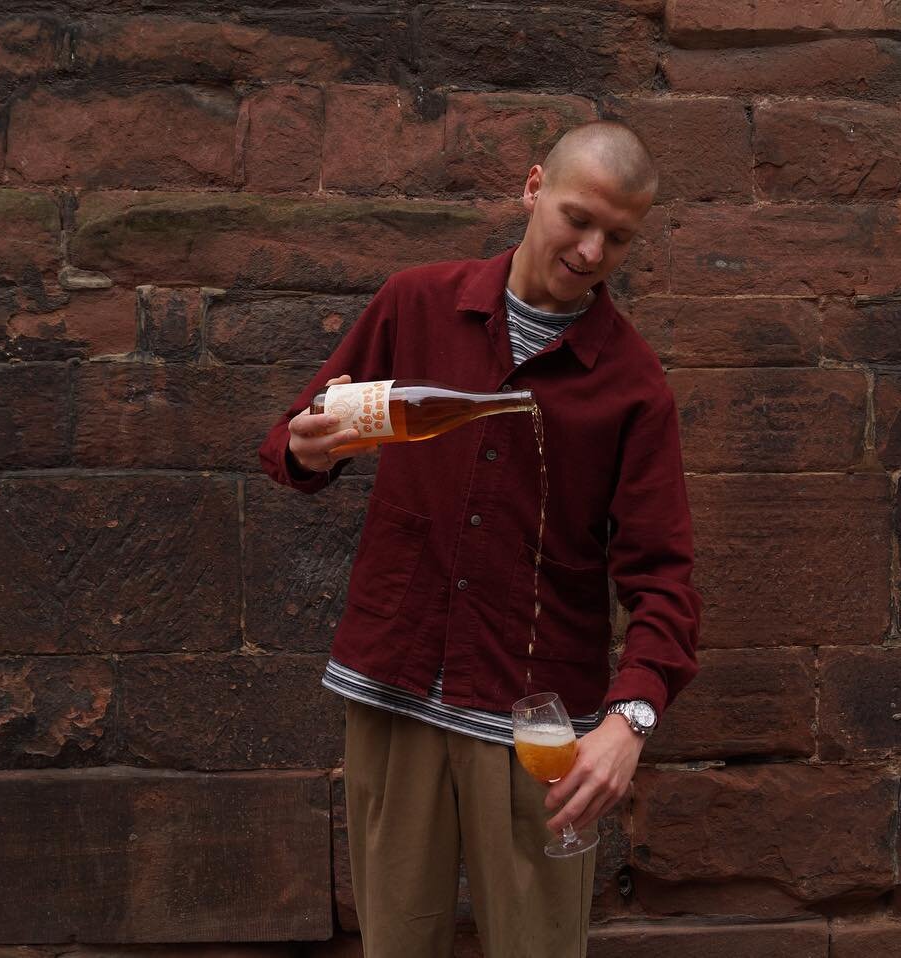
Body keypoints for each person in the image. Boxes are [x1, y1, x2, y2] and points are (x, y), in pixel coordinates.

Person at [258, 121, 701, 957]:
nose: (592, 248)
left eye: (619, 236)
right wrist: (303, 444)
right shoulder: (415, 302)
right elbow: (296, 438)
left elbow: (664, 578)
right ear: (533, 187)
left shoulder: (635, 387)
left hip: (537, 724)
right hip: (395, 689)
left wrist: (629, 720)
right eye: (578, 217)